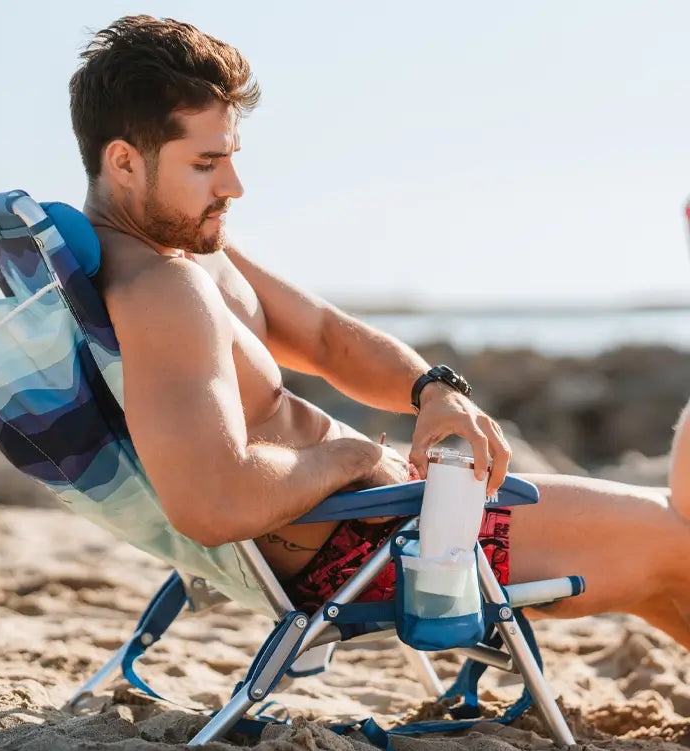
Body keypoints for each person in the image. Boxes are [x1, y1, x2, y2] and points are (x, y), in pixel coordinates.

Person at [70, 15, 690, 647]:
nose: (233, 185)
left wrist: (434, 391)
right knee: (681, 541)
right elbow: (210, 506)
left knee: (662, 577)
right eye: (206, 163)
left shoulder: (178, 250)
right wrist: (353, 456)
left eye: (229, 157)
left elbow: (323, 337)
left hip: (382, 524)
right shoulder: (163, 291)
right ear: (123, 161)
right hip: (387, 550)